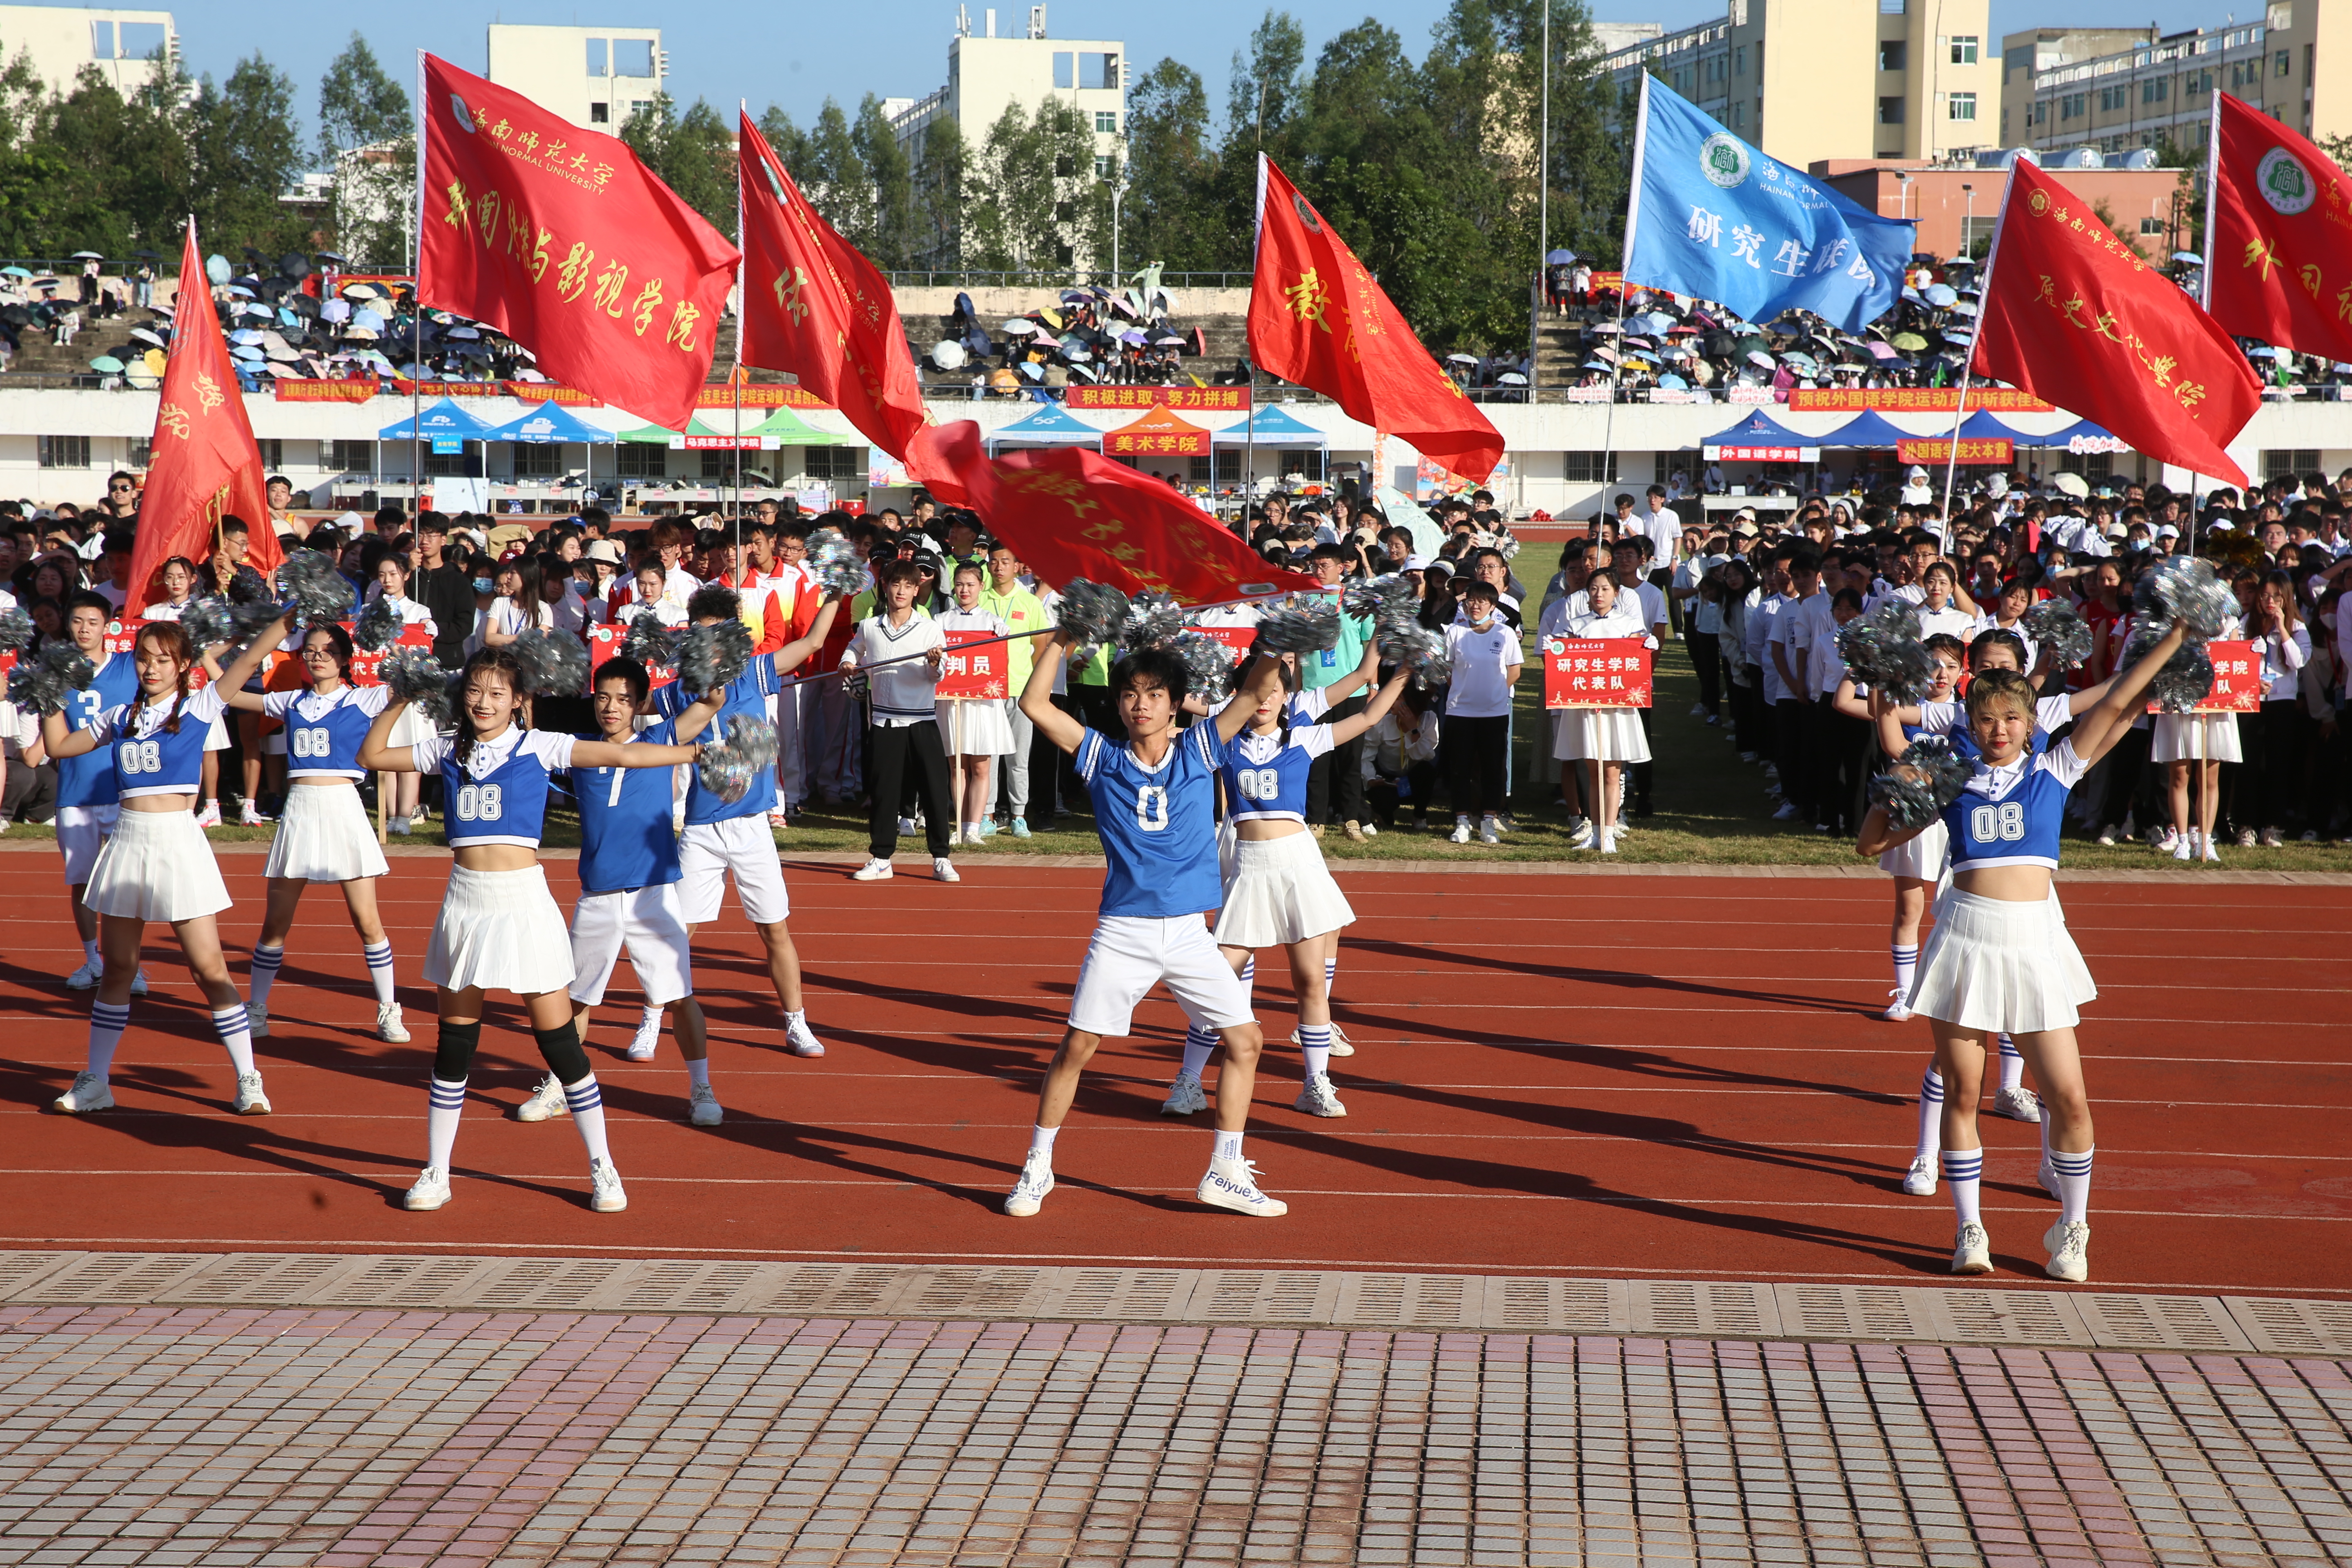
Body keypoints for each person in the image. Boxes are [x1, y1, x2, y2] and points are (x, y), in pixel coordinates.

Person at [1857, 621, 2189, 1282]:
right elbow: (1872, 843)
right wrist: (1899, 780)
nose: (1999, 729)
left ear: (2031, 723)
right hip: (1966, 937)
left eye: (2012, 717)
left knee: (2068, 1096)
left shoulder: (2054, 768)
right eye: (1986, 719)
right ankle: (1969, 1229)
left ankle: (2073, 1228)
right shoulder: (1948, 778)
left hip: (2035, 939)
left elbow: (2121, 700)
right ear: (1970, 724)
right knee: (1965, 1092)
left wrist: (2177, 635)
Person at [358, 644, 707, 1214]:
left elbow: (626, 757)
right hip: (465, 904)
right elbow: (371, 754)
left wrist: (692, 751)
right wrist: (400, 695)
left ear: (520, 702)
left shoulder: (539, 745)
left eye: (498, 693)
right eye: (475, 691)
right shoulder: (445, 748)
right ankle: (437, 1171)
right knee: (455, 1047)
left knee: (560, 1042)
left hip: (524, 902)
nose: (483, 702)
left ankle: (604, 1167)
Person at [1003, 630, 1288, 1220]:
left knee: (1247, 1040)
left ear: (1175, 701)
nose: (1141, 704)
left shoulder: (1200, 749)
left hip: (1187, 931)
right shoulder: (1102, 757)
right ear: (1119, 704)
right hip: (1125, 930)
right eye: (1131, 693)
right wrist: (1061, 639)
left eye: (1155, 693)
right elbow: (1033, 706)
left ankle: (1226, 1170)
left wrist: (1279, 643)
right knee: (1078, 1046)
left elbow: (1255, 690)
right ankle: (1037, 1164)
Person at [1162, 655, 1411, 1121]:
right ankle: (1190, 1081)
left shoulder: (1304, 736)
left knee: (1311, 981)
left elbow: (1370, 714)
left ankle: (1316, 1083)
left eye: (1277, 690)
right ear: (1243, 695)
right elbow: (1168, 724)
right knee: (1217, 981)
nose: (1269, 698)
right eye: (1260, 689)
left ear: (1286, 697)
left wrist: (1402, 674)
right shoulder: (1222, 740)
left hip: (1299, 867)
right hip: (1249, 868)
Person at [44, 622, 262, 1117]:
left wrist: (282, 623)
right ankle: (97, 1080)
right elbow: (59, 747)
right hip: (128, 842)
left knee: (209, 968)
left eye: (164, 659)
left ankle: (249, 1076)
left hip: (178, 843)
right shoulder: (121, 716)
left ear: (184, 664)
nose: (152, 667)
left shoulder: (200, 705)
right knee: (119, 967)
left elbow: (246, 666)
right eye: (144, 657)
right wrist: (47, 696)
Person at [513, 657, 725, 1126]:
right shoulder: (579, 750)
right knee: (576, 998)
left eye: (624, 699)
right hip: (599, 895)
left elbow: (711, 703)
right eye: (604, 697)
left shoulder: (662, 739)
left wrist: (711, 670)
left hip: (654, 893)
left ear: (641, 703)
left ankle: (701, 1087)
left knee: (679, 996)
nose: (612, 707)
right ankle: (557, 1086)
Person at [650, 585, 839, 1059]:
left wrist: (837, 591)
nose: (710, 645)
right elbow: (627, 706)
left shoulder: (755, 672)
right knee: (678, 932)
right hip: (700, 828)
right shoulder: (679, 692)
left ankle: (796, 1024)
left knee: (775, 929)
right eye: (701, 635)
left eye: (719, 635)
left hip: (753, 826)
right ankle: (651, 1018)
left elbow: (812, 643)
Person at [206, 612, 409, 1044]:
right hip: (300, 810)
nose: (319, 658)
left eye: (329, 652)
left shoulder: (365, 699)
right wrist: (210, 655)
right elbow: (228, 695)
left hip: (343, 808)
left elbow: (409, 684)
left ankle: (389, 1009)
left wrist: (390, 646)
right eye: (311, 651)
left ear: (346, 659)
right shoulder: (289, 702)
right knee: (276, 922)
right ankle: (257, 1009)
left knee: (367, 920)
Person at [51, 593, 145, 993]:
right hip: (75, 792)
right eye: (77, 621)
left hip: (123, 789)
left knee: (126, 883)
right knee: (84, 882)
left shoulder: (130, 665)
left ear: (108, 625)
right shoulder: (54, 671)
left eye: (92, 621)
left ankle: (130, 964)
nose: (84, 628)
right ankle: (93, 961)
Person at [842, 561, 955, 881]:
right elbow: (854, 648)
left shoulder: (929, 627)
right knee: (884, 791)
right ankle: (881, 858)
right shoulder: (870, 626)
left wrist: (934, 664)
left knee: (934, 790)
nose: (901, 591)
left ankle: (941, 858)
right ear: (885, 587)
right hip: (884, 721)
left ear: (916, 590)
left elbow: (938, 674)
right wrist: (849, 662)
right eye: (895, 585)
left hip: (921, 720)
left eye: (908, 586)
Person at [1550, 568, 1656, 854]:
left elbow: (1638, 657)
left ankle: (1609, 832)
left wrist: (1645, 646)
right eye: (1594, 589)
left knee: (1612, 773)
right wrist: (1557, 648)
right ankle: (1595, 831)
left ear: (1617, 593)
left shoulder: (1629, 623)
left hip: (1617, 709)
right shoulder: (1576, 624)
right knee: (1593, 771)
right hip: (1586, 707)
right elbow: (1562, 657)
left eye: (1605, 589)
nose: (1599, 594)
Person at [933, 562, 1013, 848]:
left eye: (970, 585)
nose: (965, 590)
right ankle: (958, 825)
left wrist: (1001, 634)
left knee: (981, 767)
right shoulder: (942, 621)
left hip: (983, 703)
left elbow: (1001, 657)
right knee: (957, 767)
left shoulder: (992, 621)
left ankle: (974, 827)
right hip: (953, 701)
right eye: (960, 584)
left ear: (981, 587)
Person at [1442, 580, 1522, 844]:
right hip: (1460, 712)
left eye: (1482, 602)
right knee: (1460, 769)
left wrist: (1497, 692)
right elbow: (1448, 670)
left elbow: (1514, 670)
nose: (1475, 606)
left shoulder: (1505, 634)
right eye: (1471, 601)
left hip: (1494, 712)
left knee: (1492, 768)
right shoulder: (1455, 632)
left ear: (1493, 606)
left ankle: (1489, 820)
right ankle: (1462, 821)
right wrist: (1463, 692)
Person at [368, 555, 441, 834]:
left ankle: (405, 816)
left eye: (393, 574)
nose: (387, 580)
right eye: (382, 574)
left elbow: (422, 654)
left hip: (412, 693)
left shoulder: (419, 612)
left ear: (406, 576)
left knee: (411, 754)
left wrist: (422, 636)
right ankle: (390, 816)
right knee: (384, 752)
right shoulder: (371, 610)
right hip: (381, 691)